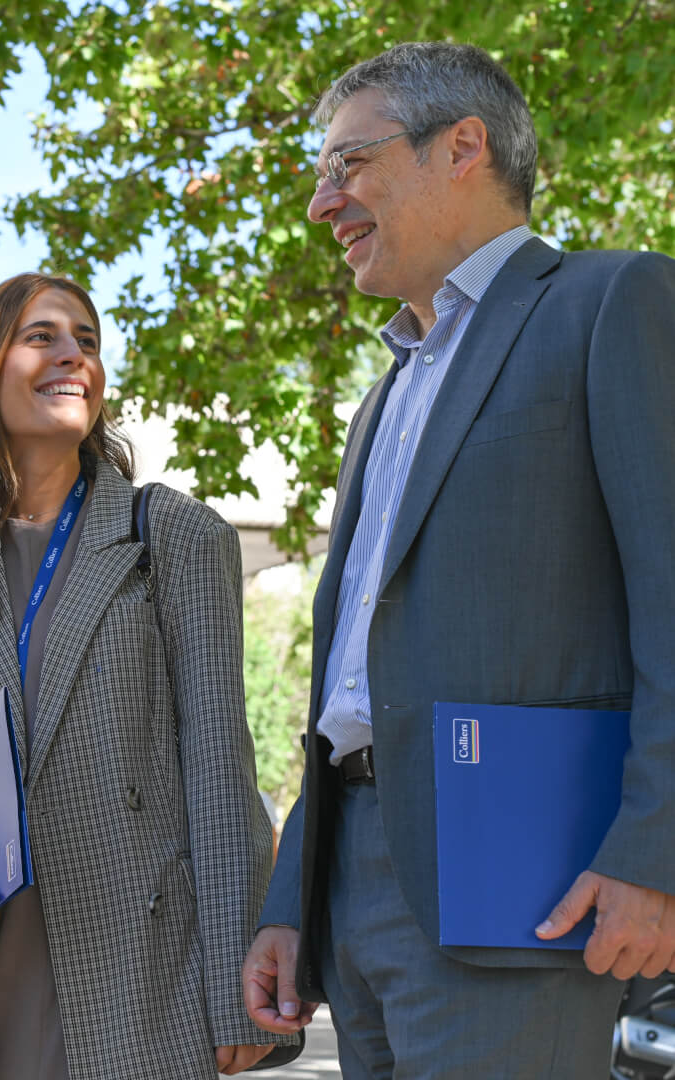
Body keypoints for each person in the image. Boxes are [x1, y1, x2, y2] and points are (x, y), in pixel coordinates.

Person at [243, 42, 675, 1078]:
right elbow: (352, 678)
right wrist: (293, 898)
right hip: (354, 889)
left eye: (347, 164)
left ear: (462, 147)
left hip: (524, 881)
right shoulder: (381, 399)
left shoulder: (614, 304)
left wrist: (655, 855)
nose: (322, 203)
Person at [0, 272, 293, 1079]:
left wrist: (236, 987)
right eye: (43, 336)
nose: (74, 357)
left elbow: (221, 770)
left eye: (87, 341)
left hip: (134, 979)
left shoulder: (172, 535)